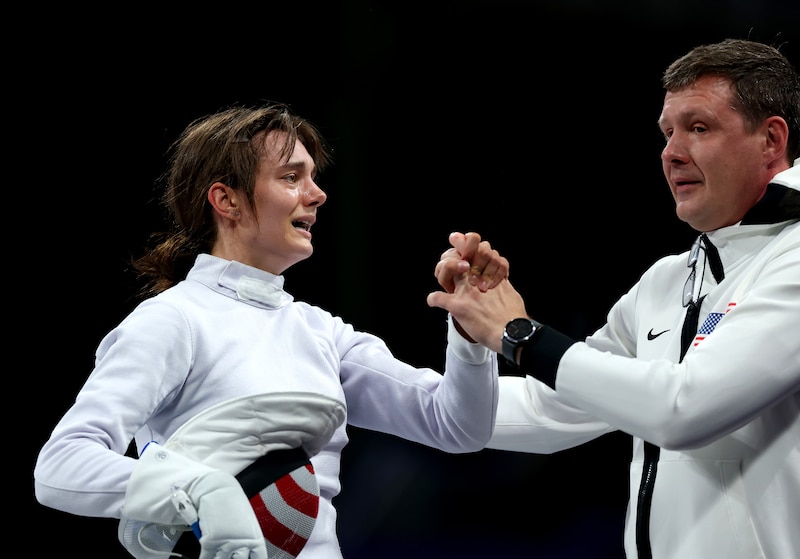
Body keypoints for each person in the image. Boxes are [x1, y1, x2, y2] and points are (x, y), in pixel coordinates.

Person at [33, 102, 508, 559]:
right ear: (226, 200)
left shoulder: (321, 332)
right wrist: (198, 489)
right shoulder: (172, 319)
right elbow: (61, 466)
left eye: (313, 177)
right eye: (290, 177)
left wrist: (469, 334)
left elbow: (457, 426)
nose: (317, 193)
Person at [427, 38, 800, 559]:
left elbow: (685, 409)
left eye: (698, 128)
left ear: (770, 139)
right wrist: (465, 337)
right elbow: (545, 410)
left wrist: (521, 336)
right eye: (667, 133)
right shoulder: (667, 281)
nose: (672, 152)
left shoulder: (793, 259)